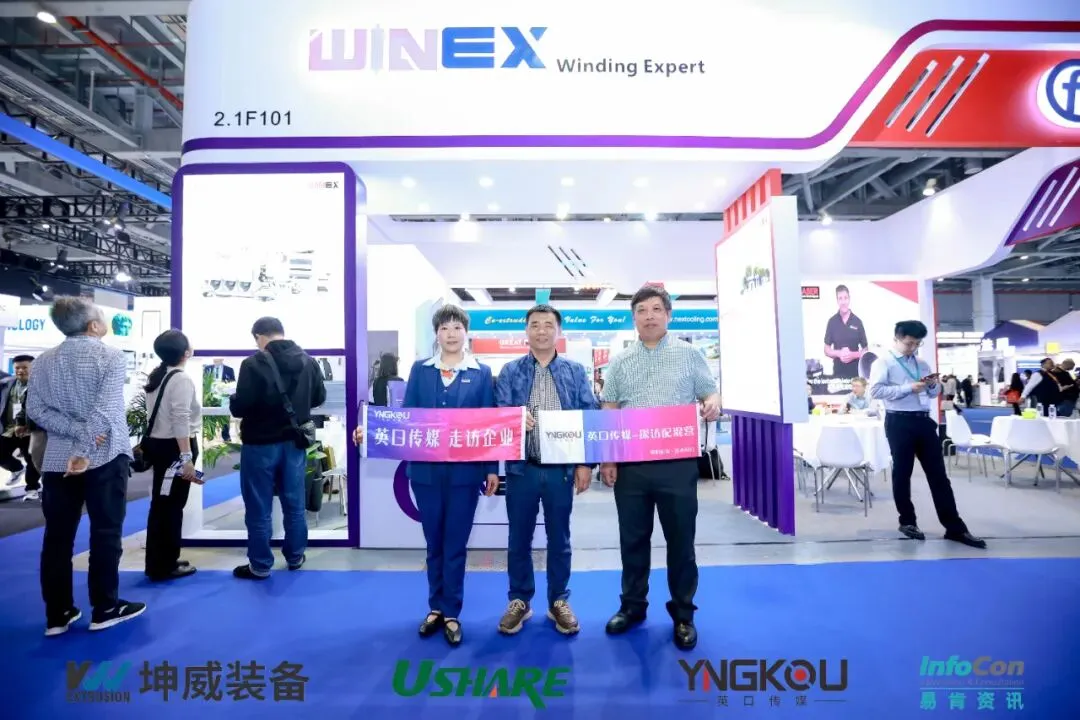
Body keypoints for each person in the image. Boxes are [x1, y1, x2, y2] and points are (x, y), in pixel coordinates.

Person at [353, 306, 499, 647]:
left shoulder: (481, 373)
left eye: (457, 327)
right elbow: (406, 418)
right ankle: (435, 607)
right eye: (445, 327)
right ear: (437, 334)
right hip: (425, 473)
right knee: (434, 542)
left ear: (466, 332)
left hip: (465, 474)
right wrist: (371, 432)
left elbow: (489, 423)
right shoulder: (421, 370)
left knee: (455, 544)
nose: (451, 333)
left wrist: (492, 468)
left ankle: (452, 612)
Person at [599, 285, 721, 651]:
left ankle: (683, 614)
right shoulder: (620, 361)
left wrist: (713, 402)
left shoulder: (689, 354)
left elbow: (709, 392)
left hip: (677, 465)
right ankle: (632, 607)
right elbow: (610, 409)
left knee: (681, 542)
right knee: (632, 540)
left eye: (656, 309)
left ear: (668, 315)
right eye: (642, 310)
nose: (649, 316)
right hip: (632, 466)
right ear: (633, 318)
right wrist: (608, 457)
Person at [28, 297, 145, 635]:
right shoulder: (111, 356)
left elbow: (36, 410)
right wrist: (83, 447)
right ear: (93, 325)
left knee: (57, 537)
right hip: (104, 456)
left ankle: (58, 614)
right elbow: (106, 410)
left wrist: (73, 434)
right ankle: (105, 608)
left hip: (56, 461)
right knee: (106, 532)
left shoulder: (43, 361)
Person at [494, 304, 598, 636]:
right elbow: (497, 413)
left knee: (560, 538)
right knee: (518, 538)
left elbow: (589, 415)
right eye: (535, 325)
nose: (541, 331)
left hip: (560, 471)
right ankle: (519, 600)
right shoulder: (510, 371)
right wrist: (513, 418)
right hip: (522, 469)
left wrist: (585, 463)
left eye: (548, 325)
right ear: (526, 331)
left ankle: (558, 601)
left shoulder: (574, 371)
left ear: (559, 331)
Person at [869, 320, 985, 549]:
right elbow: (875, 390)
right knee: (903, 473)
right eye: (909, 343)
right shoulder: (884, 362)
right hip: (898, 420)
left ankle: (955, 527)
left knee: (939, 475)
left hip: (924, 421)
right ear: (896, 339)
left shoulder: (921, 364)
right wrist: (907, 388)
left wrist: (933, 386)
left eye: (917, 344)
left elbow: (932, 394)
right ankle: (907, 521)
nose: (913, 348)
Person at [229, 317, 326, 580]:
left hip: (259, 444)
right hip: (294, 443)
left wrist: (233, 400)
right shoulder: (308, 361)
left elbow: (242, 405)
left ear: (259, 336)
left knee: (258, 505)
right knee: (294, 504)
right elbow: (319, 397)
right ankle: (295, 557)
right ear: (282, 333)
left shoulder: (252, 364)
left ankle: (260, 565)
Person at [142, 330, 203, 581]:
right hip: (175, 449)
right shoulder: (180, 379)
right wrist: (186, 457)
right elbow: (181, 420)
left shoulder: (159, 376)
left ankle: (161, 560)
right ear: (185, 352)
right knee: (170, 506)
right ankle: (164, 565)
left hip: (163, 448)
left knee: (164, 504)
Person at [1, 354, 40, 499]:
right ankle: (16, 468)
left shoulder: (43, 387)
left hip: (31, 431)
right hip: (10, 429)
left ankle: (32, 488)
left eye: (24, 367)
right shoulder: (7, 383)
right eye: (17, 368)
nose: (20, 371)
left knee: (32, 460)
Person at [823, 284, 868, 380]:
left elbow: (865, 350)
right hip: (838, 373)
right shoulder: (832, 322)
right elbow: (826, 350)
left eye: (845, 298)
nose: (843, 302)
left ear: (849, 299)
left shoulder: (857, 322)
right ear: (837, 300)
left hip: (856, 374)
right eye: (840, 298)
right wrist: (839, 353)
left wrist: (852, 355)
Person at [205, 359, 235, 441]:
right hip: (210, 397)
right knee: (210, 415)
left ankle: (226, 436)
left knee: (225, 416)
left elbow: (233, 384)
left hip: (224, 397)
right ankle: (210, 435)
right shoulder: (207, 368)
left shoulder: (229, 369)